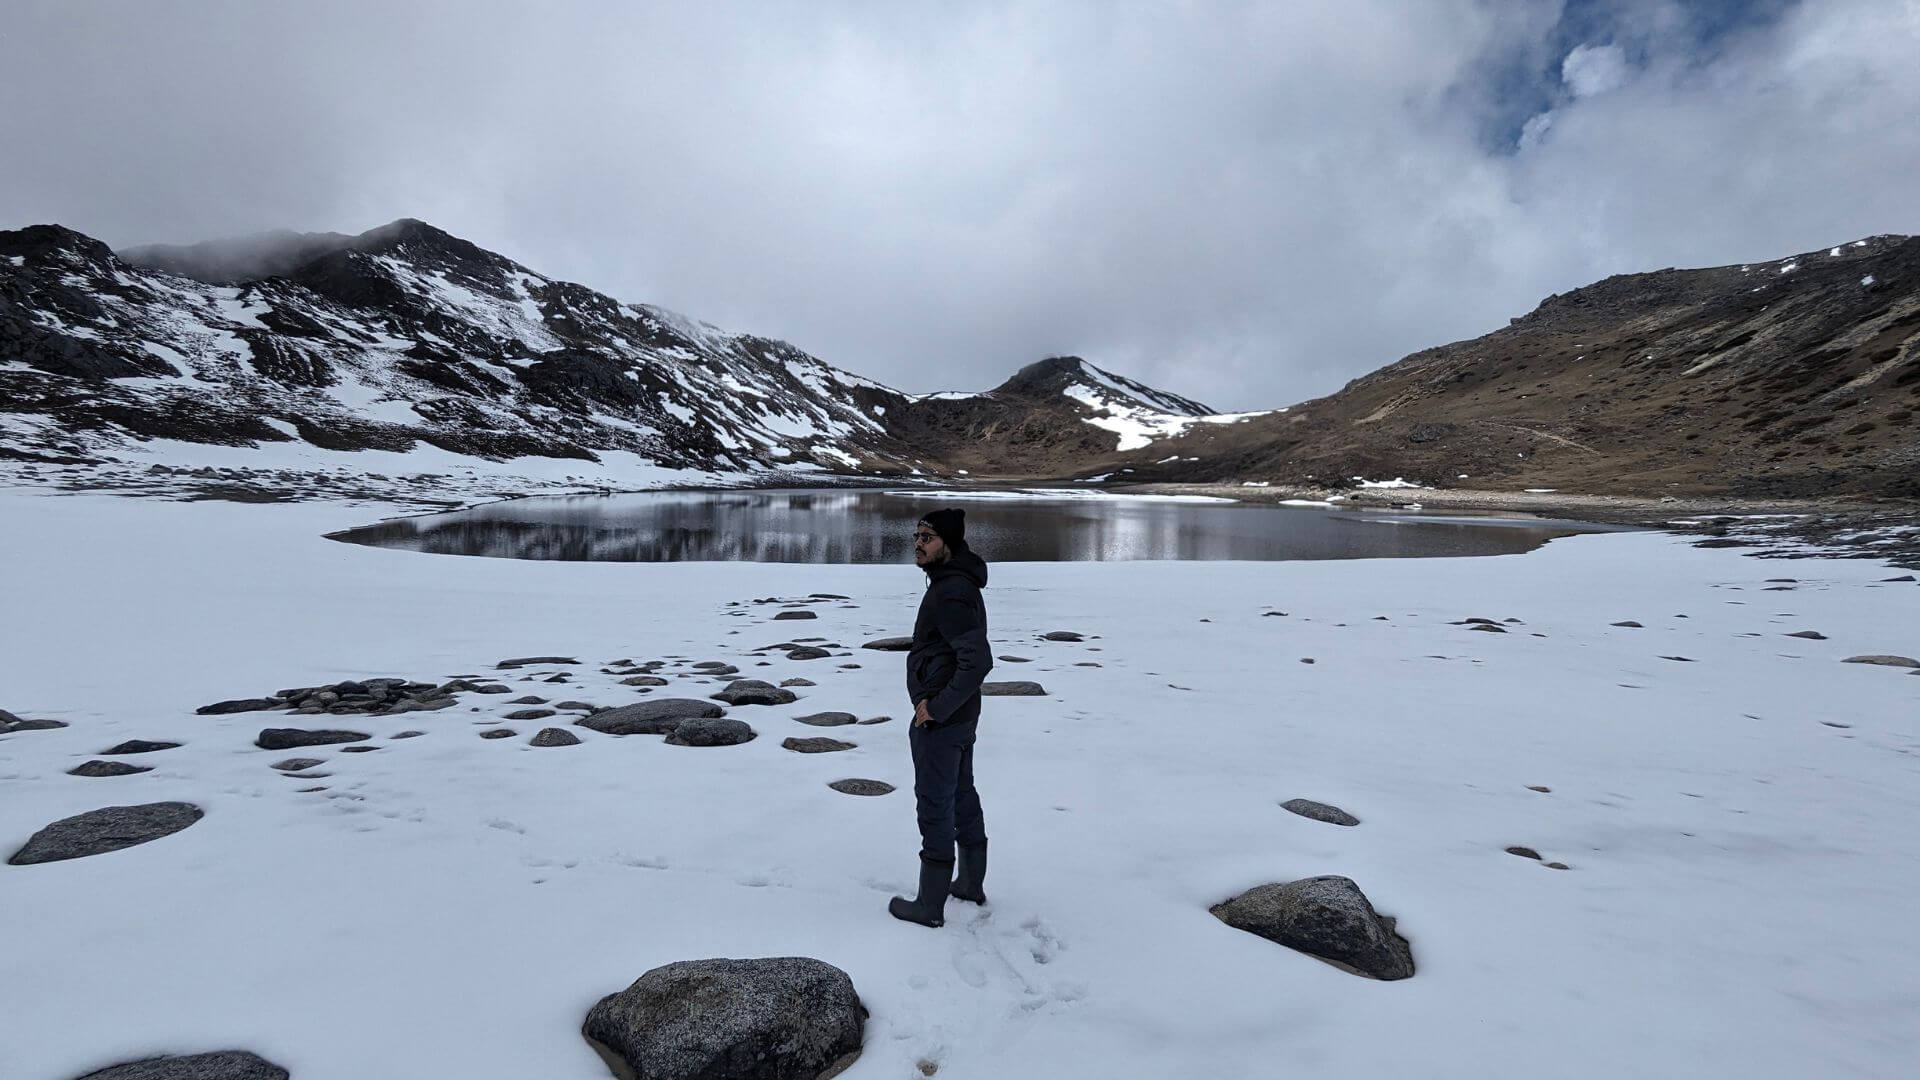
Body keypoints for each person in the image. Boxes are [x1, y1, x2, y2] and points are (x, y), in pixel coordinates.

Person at [889, 507, 993, 928]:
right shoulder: (954, 583)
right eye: (916, 535)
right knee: (960, 793)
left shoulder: (950, 592)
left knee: (935, 801)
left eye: (927, 538)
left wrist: (936, 707)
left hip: (943, 719)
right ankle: (968, 884)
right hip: (960, 716)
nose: (918, 543)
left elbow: (977, 660)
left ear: (947, 543)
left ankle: (929, 906)